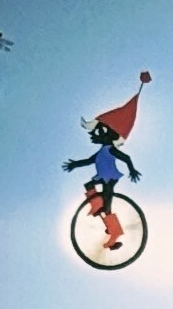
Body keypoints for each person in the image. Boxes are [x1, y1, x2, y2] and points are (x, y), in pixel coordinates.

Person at [62, 72, 151, 250]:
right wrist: (75, 164)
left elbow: (125, 157)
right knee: (89, 186)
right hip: (101, 177)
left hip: (109, 178)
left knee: (107, 207)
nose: (95, 135)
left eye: (100, 131)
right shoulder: (102, 151)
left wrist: (132, 169)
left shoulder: (110, 149)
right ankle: (97, 206)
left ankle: (114, 233)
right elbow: (89, 160)